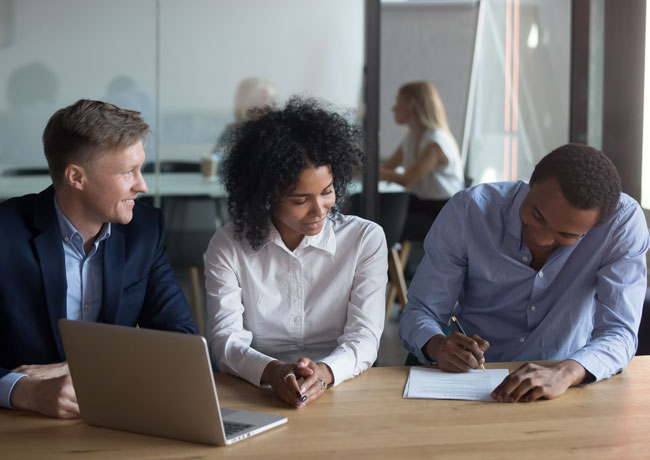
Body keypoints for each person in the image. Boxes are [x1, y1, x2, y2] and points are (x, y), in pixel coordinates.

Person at [400, 143, 649, 403]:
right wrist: (439, 346)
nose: (541, 239)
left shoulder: (621, 224)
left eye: (566, 235)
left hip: (559, 387)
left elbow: (619, 332)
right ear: (530, 182)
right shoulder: (469, 210)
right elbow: (421, 311)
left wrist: (565, 372)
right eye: (538, 216)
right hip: (468, 380)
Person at [0, 99, 198, 419]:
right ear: (76, 177)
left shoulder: (145, 230)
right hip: (18, 423)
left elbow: (181, 340)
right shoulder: (5, 234)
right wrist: (22, 390)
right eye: (127, 172)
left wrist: (75, 367)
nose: (142, 185)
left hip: (114, 412)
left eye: (141, 169)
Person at [205, 97, 387, 408]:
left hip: (344, 388)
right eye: (300, 200)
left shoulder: (364, 239)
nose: (320, 210)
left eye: (327, 192)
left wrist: (326, 371)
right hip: (255, 393)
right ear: (266, 196)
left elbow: (364, 338)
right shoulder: (229, 246)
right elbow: (226, 341)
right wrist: (272, 371)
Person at [379, 81, 465, 241]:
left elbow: (408, 179)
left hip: (442, 213)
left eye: (398, 102)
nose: (394, 108)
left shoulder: (436, 142)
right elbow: (387, 167)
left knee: (381, 223)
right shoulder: (412, 137)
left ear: (412, 104)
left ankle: (388, 264)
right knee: (377, 216)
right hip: (421, 204)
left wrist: (373, 172)